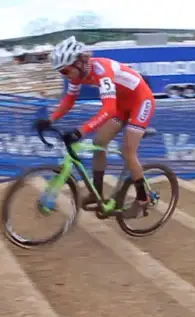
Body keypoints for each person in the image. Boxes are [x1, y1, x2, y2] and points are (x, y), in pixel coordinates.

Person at [34, 36, 155, 219]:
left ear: (79, 63)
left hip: (141, 101)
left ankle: (143, 198)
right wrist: (50, 120)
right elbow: (69, 100)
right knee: (99, 142)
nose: (65, 76)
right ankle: (96, 194)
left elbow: (109, 108)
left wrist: (81, 131)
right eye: (61, 73)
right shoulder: (77, 74)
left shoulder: (101, 70)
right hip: (122, 105)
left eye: (66, 71)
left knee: (128, 151)